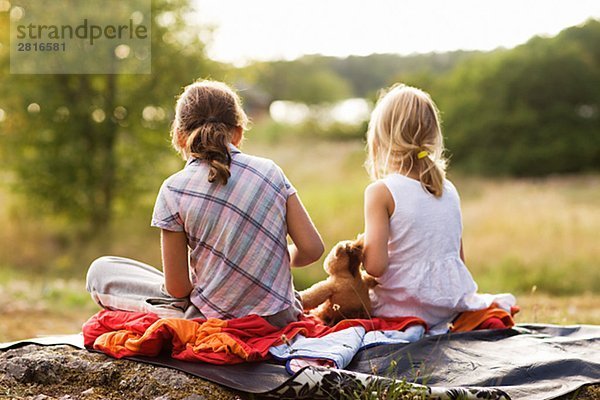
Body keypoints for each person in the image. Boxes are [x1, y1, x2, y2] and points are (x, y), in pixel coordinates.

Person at [86, 80, 324, 328]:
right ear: (239, 132)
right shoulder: (271, 172)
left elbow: (177, 288)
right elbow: (312, 249)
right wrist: (271, 257)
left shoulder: (173, 189)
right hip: (281, 318)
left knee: (101, 271)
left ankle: (180, 317)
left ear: (179, 136)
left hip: (212, 320)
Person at [362, 84, 516, 334]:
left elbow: (375, 267)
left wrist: (360, 249)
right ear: (432, 136)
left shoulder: (381, 191)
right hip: (447, 306)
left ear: (380, 139)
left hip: (402, 309)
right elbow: (458, 259)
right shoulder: (448, 188)